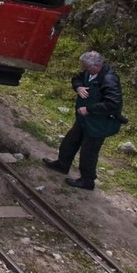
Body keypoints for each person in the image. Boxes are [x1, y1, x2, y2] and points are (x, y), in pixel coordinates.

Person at [42, 51, 124, 190]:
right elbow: (76, 78)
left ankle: (87, 181)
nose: (84, 69)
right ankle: (62, 165)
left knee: (89, 152)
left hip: (99, 123)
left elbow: (113, 104)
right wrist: (78, 87)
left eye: (86, 67)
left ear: (97, 65)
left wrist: (89, 109)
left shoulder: (109, 80)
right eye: (84, 66)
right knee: (70, 141)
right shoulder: (90, 72)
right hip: (85, 120)